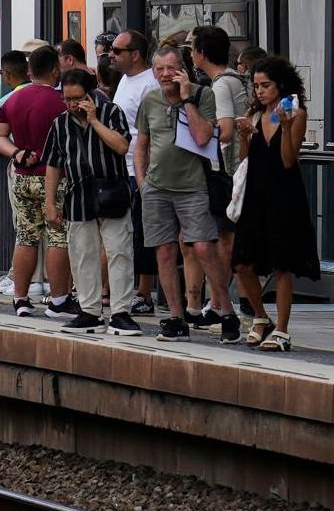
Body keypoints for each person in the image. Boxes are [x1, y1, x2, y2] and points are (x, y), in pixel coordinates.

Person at [135, 47, 238, 342]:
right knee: (164, 251)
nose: (165, 74)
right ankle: (175, 317)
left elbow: (204, 136)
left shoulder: (203, 95)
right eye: (160, 69)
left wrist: (186, 99)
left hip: (193, 186)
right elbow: (141, 144)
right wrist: (143, 182)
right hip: (156, 187)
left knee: (204, 248)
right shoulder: (150, 100)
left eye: (171, 68)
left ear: (183, 69)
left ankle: (226, 311)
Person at [43, 69, 140, 336]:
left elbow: (121, 146)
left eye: (77, 98)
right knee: (82, 255)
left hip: (112, 193)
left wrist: (95, 120)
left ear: (91, 93)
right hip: (78, 196)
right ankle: (90, 312)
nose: (72, 105)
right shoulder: (60, 124)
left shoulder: (112, 113)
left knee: (119, 251)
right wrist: (50, 203)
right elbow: (53, 165)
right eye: (67, 99)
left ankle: (121, 313)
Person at [232, 57, 317, 351]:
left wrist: (284, 123)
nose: (260, 91)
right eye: (256, 86)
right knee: (242, 263)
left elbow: (287, 159)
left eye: (265, 85)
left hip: (284, 195)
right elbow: (246, 159)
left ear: (280, 84)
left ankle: (282, 329)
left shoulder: (294, 113)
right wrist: (245, 137)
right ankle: (260, 317)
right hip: (255, 196)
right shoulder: (257, 115)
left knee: (282, 264)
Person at [0, 44, 76, 319]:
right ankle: (59, 299)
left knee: (26, 236)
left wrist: (16, 153)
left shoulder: (13, 100)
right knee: (57, 236)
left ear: (29, 71)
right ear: (55, 70)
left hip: (22, 176)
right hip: (56, 178)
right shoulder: (60, 102)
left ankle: (20, 298)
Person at [184, 25, 243, 321]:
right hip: (237, 171)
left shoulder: (219, 87)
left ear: (201, 54)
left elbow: (226, 130)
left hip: (225, 173)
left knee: (220, 239)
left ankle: (218, 302)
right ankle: (220, 301)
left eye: (193, 49)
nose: (191, 55)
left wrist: (197, 132)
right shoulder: (236, 80)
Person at [107, 29, 160, 317]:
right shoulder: (125, 80)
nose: (110, 55)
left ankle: (144, 292)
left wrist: (144, 174)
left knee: (141, 232)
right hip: (122, 165)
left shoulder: (148, 84)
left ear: (135, 54)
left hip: (138, 169)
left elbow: (148, 132)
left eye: (117, 50)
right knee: (124, 233)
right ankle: (126, 290)